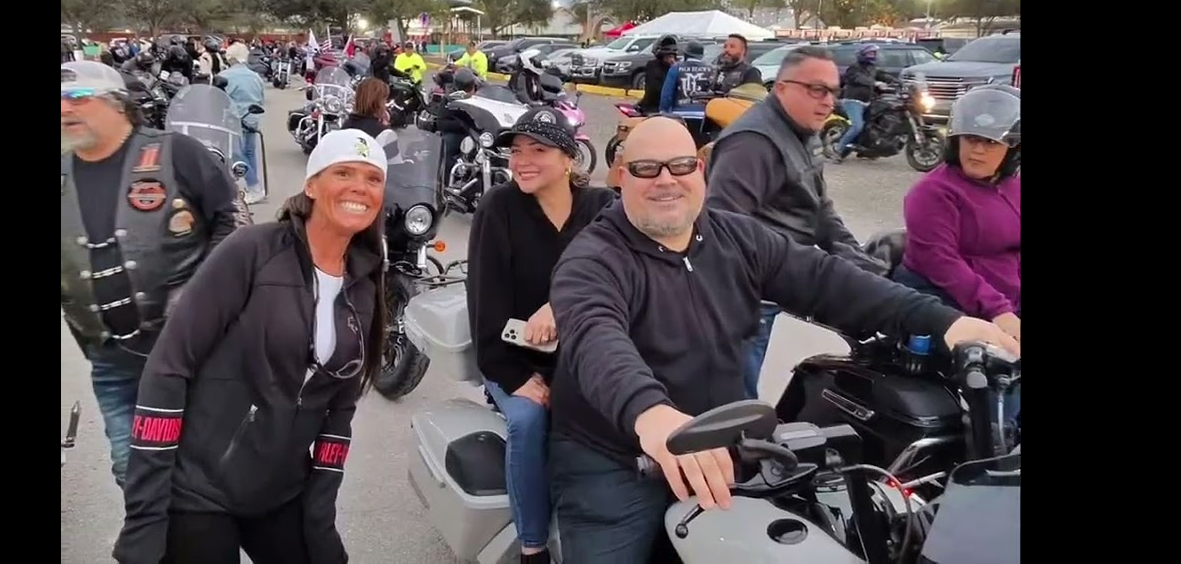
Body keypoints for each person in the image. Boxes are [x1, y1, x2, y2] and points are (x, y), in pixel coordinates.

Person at [546, 116, 1020, 563]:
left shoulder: (737, 237)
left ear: (701, 169)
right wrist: (651, 416)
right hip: (619, 460)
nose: (665, 180)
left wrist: (944, 321)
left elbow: (827, 280)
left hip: (724, 445)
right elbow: (595, 337)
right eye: (646, 169)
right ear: (622, 176)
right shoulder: (593, 259)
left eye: (681, 165)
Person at [113, 129, 391, 564]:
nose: (360, 186)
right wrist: (145, 519)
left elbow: (340, 409)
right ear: (312, 185)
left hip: (281, 491)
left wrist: (320, 520)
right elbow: (169, 366)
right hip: (200, 487)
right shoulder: (253, 250)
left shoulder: (364, 282)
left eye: (373, 178)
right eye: (344, 172)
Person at [61, 61, 241, 489]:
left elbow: (231, 224)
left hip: (194, 352)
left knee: (210, 464)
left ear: (117, 103)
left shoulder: (177, 153)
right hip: (110, 359)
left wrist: (203, 298)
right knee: (134, 471)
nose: (64, 109)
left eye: (76, 98)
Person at [468, 108, 617, 564]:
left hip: (583, 356)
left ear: (569, 158)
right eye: (516, 151)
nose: (523, 160)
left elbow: (618, 276)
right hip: (513, 357)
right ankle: (532, 545)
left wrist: (561, 303)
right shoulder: (499, 207)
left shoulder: (602, 207)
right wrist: (513, 377)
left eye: (539, 149)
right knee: (529, 421)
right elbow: (485, 300)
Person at [704, 46, 885, 399]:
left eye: (834, 91)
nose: (828, 101)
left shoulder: (801, 130)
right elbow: (724, 230)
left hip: (779, 289)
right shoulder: (754, 144)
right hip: (751, 301)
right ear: (782, 87)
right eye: (817, 89)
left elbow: (819, 208)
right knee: (736, 401)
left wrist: (862, 265)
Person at [897, 84, 1021, 337]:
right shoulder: (932, 193)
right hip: (951, 304)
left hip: (1007, 299)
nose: (978, 150)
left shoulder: (1011, 187)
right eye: (971, 139)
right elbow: (941, 263)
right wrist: (1000, 312)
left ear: (1012, 149)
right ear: (956, 140)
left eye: (990, 142)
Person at [218, 47, 267, 204]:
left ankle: (254, 187)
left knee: (236, 155)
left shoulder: (225, 76)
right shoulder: (255, 76)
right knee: (249, 153)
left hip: (234, 119)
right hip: (252, 118)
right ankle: (254, 186)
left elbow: (218, 98)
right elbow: (261, 97)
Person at [835, 43, 900, 158]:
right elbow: (859, 78)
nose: (872, 55)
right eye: (870, 53)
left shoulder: (871, 68)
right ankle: (838, 150)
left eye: (874, 53)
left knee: (871, 125)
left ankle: (866, 150)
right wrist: (875, 83)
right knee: (857, 126)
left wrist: (897, 81)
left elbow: (882, 75)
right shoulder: (854, 67)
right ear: (862, 54)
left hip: (868, 101)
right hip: (853, 101)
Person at [434, 67, 482, 182]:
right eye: (464, 89)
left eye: (470, 88)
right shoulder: (450, 99)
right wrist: (462, 125)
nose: (468, 92)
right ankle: (445, 182)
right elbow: (441, 123)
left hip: (481, 130)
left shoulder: (482, 92)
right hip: (460, 133)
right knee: (447, 146)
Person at [660, 41, 717, 116]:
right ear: (701, 55)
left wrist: (664, 110)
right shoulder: (711, 69)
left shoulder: (676, 68)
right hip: (703, 114)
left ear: (685, 54)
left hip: (679, 113)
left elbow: (667, 93)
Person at [635, 37, 679, 113]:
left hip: (672, 108)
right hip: (652, 108)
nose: (670, 59)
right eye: (668, 56)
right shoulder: (652, 66)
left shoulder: (677, 67)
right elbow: (654, 90)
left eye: (671, 56)